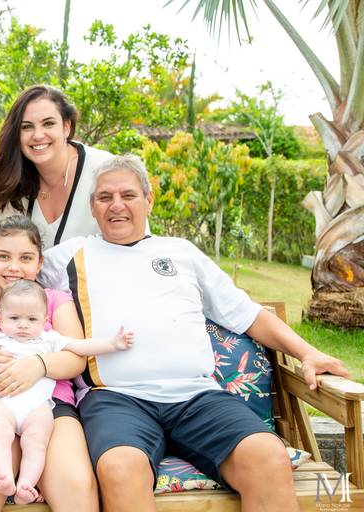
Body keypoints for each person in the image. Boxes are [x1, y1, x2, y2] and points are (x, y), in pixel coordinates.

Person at [37, 154, 351, 512]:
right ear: (92, 207)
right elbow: (8, 278)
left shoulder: (181, 253)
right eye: (104, 197)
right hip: (115, 398)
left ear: (148, 199)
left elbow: (246, 314)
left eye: (128, 195)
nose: (116, 206)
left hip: (197, 397)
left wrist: (307, 352)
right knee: (119, 467)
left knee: (266, 455)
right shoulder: (68, 257)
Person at [0, 279, 132, 504]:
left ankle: (26, 483)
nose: (23, 325)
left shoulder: (49, 338)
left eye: (32, 319)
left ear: (44, 320)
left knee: (37, 440)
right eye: (14, 319)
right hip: (0, 402)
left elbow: (81, 347)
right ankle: (3, 474)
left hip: (39, 405)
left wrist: (112, 344)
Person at [0, 215, 100, 511]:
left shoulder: (55, 300)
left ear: (40, 262)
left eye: (26, 258)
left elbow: (76, 360)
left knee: (75, 483)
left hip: (50, 404)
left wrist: (40, 365)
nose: (14, 267)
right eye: (3, 256)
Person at [0, 85, 112, 285]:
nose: (37, 135)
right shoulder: (12, 175)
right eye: (26, 127)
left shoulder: (104, 171)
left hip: (92, 303)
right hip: (26, 311)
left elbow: (134, 240)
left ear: (66, 127)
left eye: (48, 123)